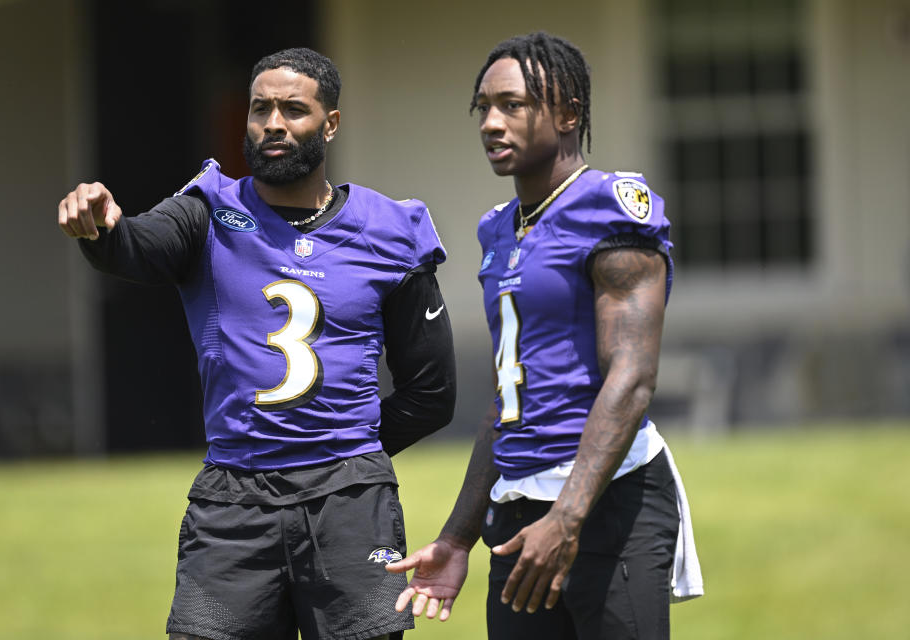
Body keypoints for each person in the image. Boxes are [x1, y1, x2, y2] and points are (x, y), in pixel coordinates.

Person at [58, 47, 456, 640]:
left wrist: (348, 454)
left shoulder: (389, 229)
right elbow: (137, 247)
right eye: (260, 108)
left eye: (293, 109)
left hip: (349, 505)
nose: (273, 123)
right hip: (233, 500)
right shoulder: (211, 209)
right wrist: (102, 226)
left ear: (331, 123)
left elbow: (432, 392)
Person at [387, 32, 702, 639]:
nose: (491, 123)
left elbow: (632, 379)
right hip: (516, 510)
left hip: (609, 502)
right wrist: (457, 538)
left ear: (567, 115)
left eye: (513, 105)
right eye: (484, 107)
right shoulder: (499, 229)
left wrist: (568, 516)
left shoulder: (610, 209)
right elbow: (508, 399)